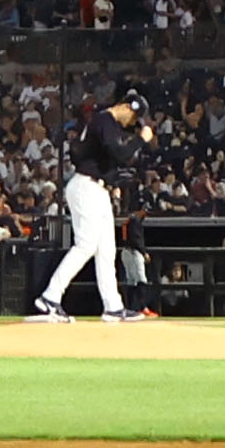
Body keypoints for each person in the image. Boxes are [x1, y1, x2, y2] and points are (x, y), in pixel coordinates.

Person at [37, 103, 142, 320]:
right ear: (128, 109)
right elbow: (120, 153)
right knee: (86, 245)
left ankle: (113, 306)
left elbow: (82, 153)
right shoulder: (106, 120)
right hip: (87, 186)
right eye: (133, 118)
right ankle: (51, 296)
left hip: (97, 188)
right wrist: (141, 139)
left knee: (106, 251)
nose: (130, 124)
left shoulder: (100, 124)